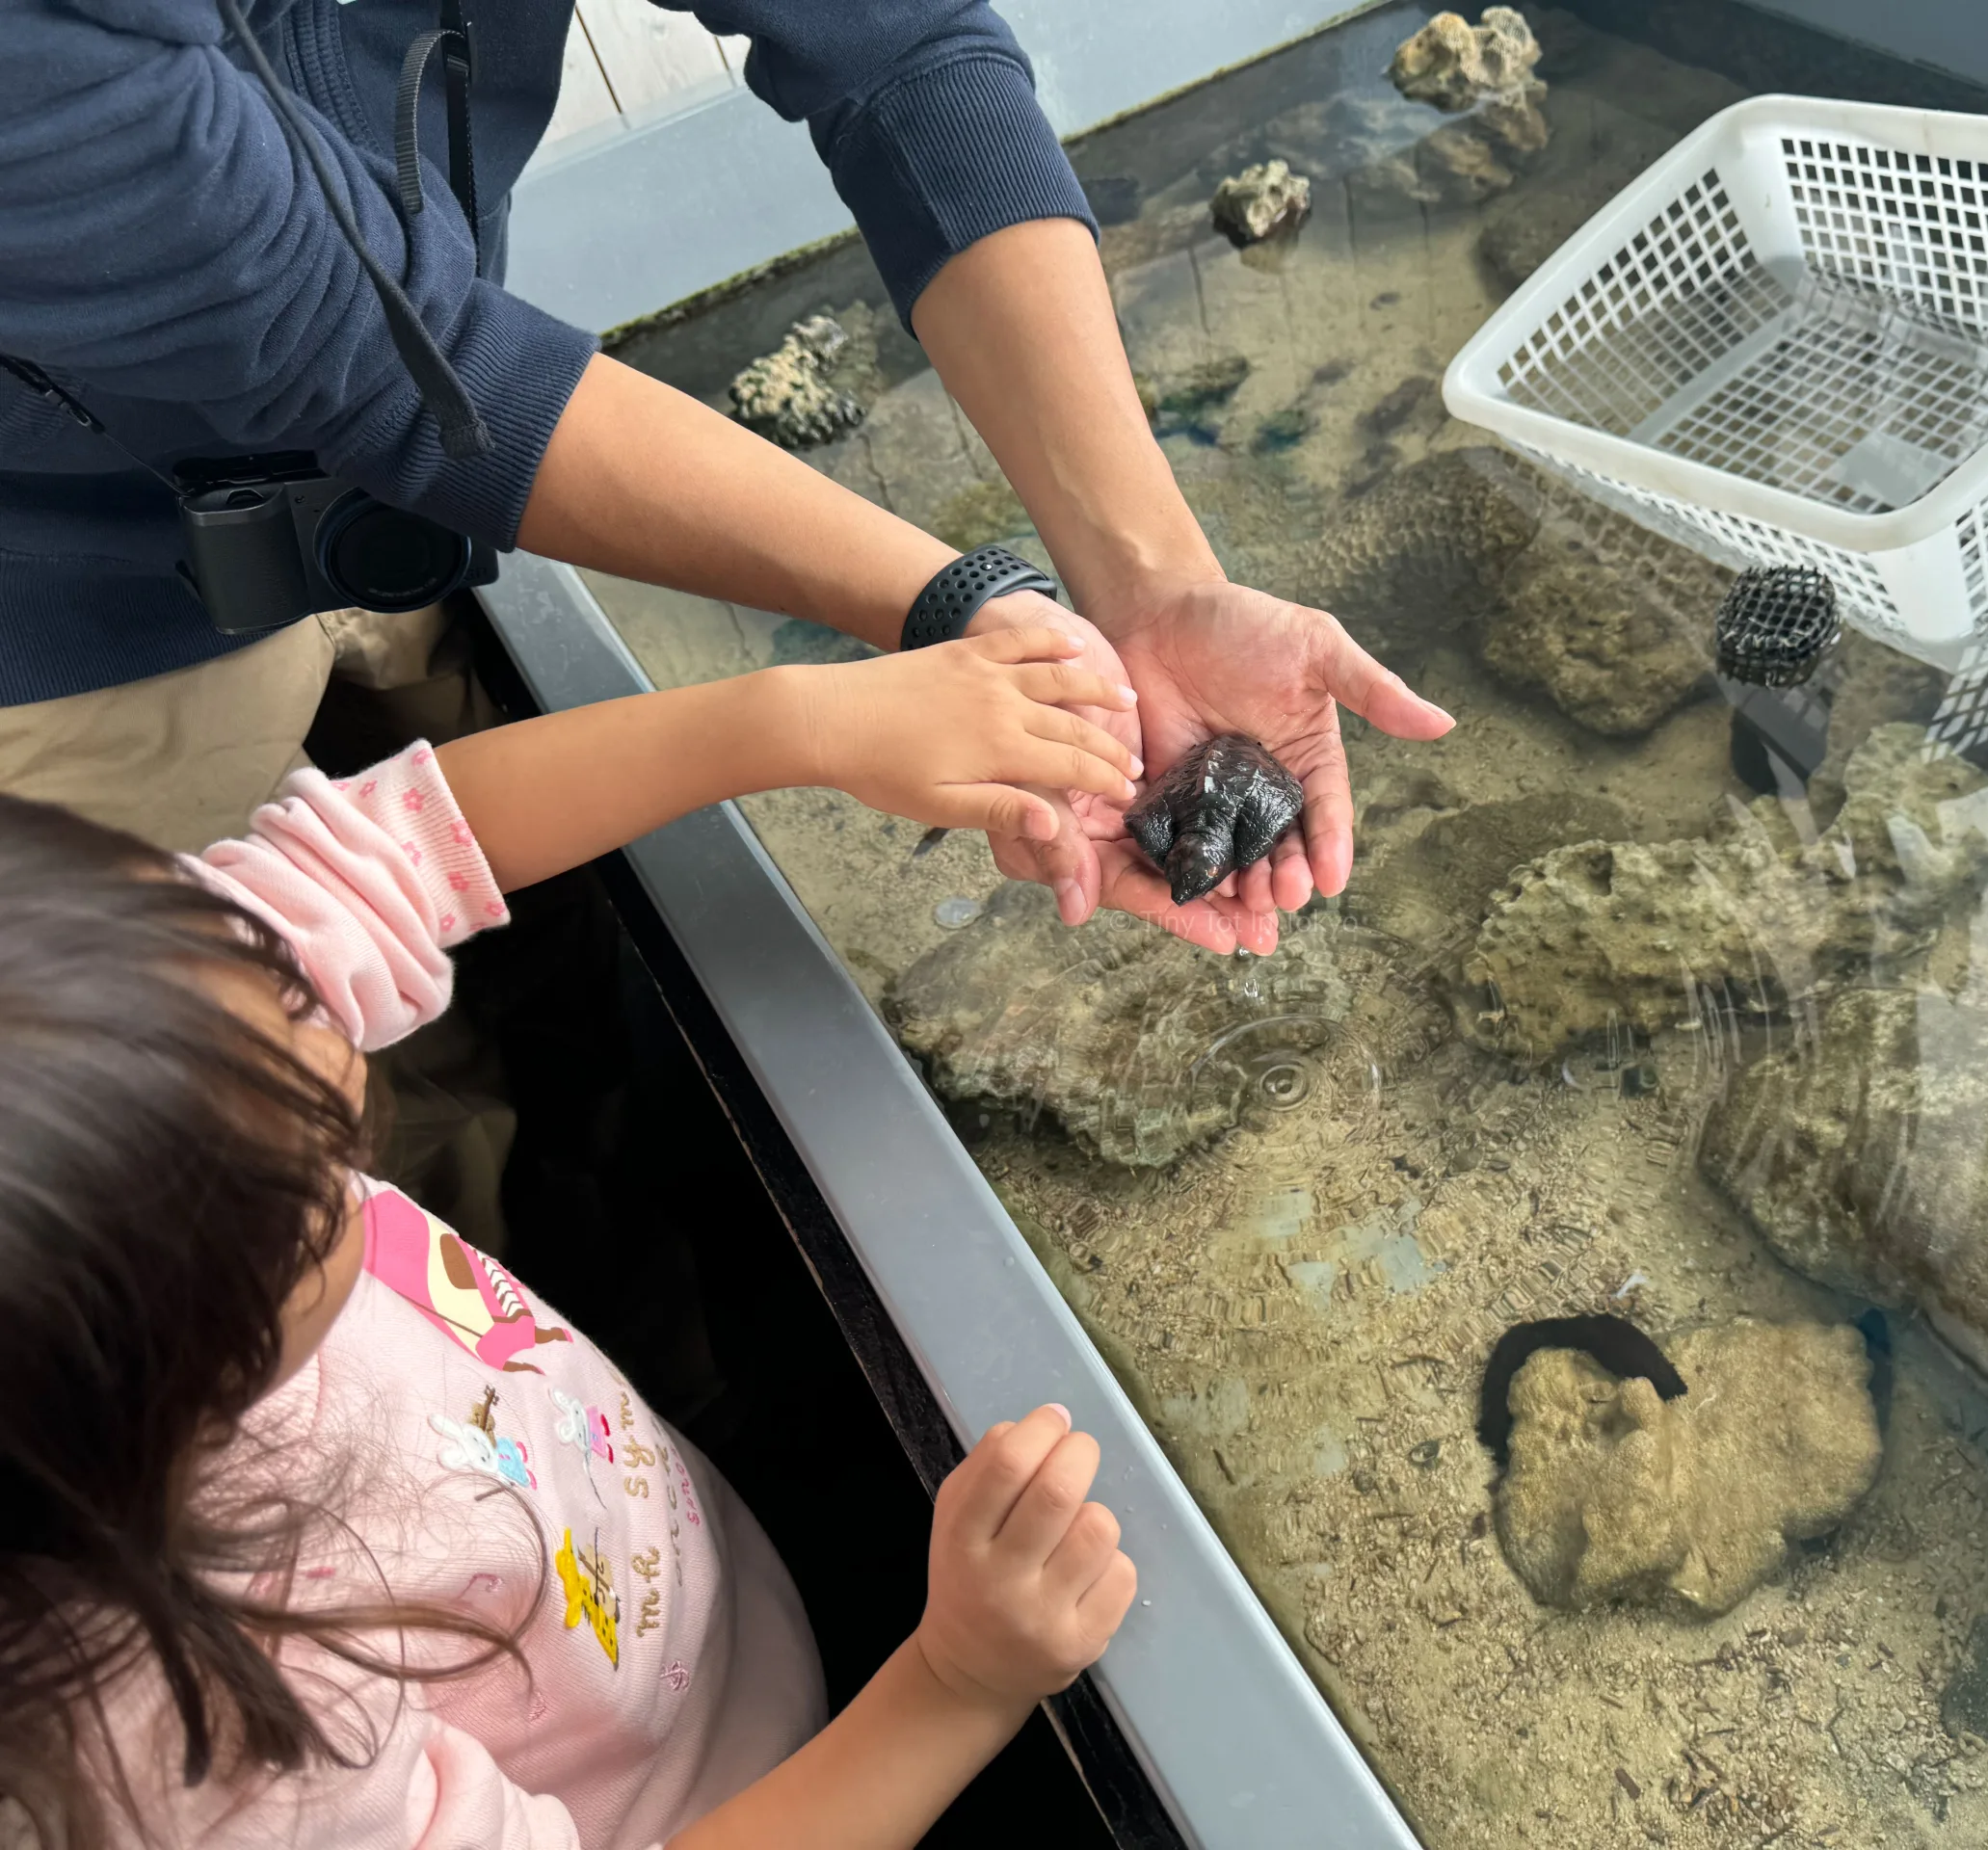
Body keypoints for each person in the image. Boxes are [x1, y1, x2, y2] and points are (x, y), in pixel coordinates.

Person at [0, 630, 1144, 1849]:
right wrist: (958, 1685)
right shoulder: (196, 1754)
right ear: (151, 1395)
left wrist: (801, 724)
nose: (340, 1056)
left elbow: (407, 847)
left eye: (271, 991)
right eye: (303, 1192)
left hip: (688, 1586)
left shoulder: (110, 1040)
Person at [0, 0, 1455, 956]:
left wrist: (1154, 585)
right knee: (214, 1045)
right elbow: (393, 359)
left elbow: (899, 45)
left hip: (392, 503)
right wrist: (970, 602)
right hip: (72, 619)